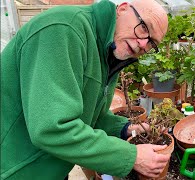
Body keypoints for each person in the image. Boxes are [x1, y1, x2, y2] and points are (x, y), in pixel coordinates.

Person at [1, 0, 169, 179]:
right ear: (122, 8)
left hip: (49, 168)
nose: (143, 44)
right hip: (13, 170)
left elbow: (89, 116)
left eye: (152, 42)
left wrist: (128, 129)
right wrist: (131, 156)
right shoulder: (63, 30)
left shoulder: (107, 50)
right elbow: (52, 129)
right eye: (144, 27)